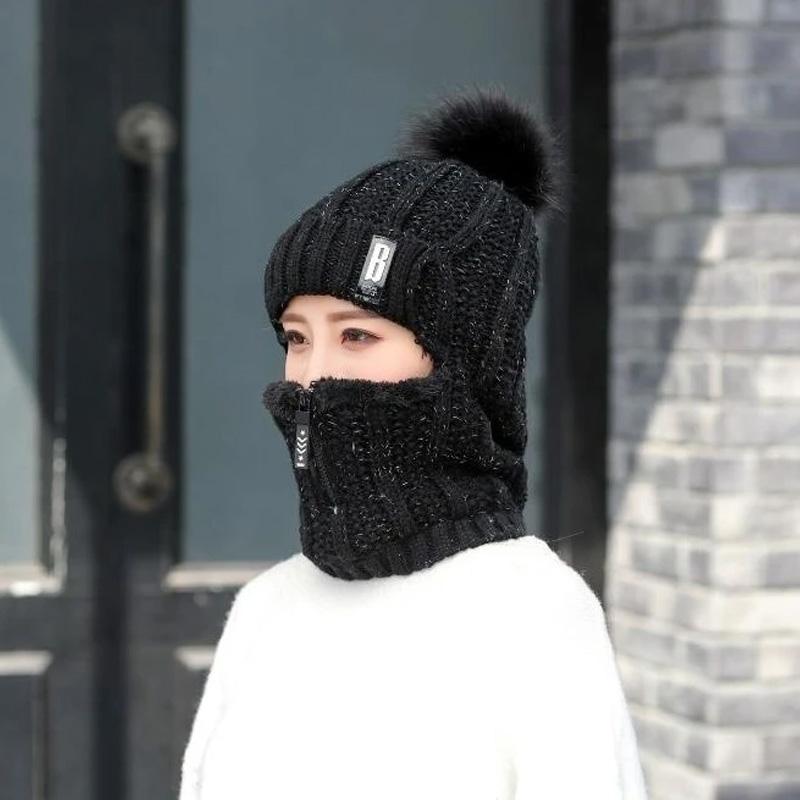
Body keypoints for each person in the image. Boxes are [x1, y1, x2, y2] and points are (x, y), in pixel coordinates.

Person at [179, 85, 649, 799]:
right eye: (296, 339)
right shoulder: (266, 607)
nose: (314, 376)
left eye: (358, 335)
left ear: (463, 361)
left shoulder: (534, 617)